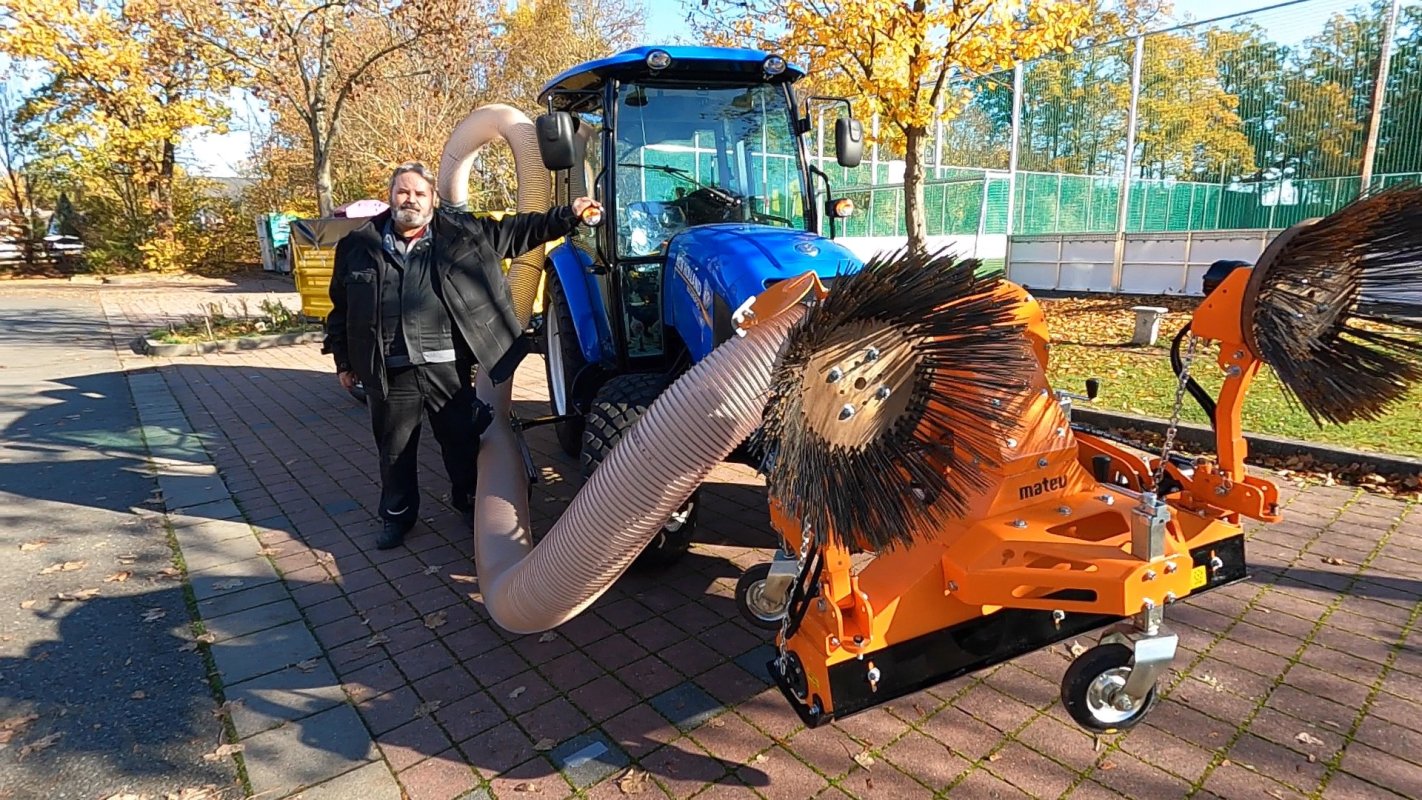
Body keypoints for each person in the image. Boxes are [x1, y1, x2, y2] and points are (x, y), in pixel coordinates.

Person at [324, 161, 601, 550]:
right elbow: (340, 310)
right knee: (394, 449)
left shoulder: (464, 234)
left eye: (420, 193)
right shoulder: (358, 245)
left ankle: (469, 500)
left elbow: (521, 230)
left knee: (460, 441)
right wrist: (344, 362)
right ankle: (397, 517)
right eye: (403, 192)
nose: (411, 200)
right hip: (390, 370)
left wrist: (567, 216)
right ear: (390, 196)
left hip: (446, 365)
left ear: (433, 199)